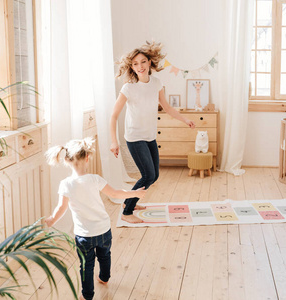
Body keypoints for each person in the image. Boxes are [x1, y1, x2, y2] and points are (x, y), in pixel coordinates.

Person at [44, 138, 146, 300]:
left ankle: (87, 295)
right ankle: (104, 278)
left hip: (84, 235)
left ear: (66, 160)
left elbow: (61, 209)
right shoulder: (95, 179)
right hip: (103, 230)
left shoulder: (66, 184)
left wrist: (51, 220)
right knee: (105, 256)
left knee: (86, 265)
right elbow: (115, 194)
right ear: (87, 158)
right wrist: (135, 193)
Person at [110, 41, 195, 223]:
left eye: (142, 62)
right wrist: (113, 141)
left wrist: (185, 119)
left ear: (149, 62)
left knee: (154, 175)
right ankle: (127, 213)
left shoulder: (157, 83)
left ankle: (128, 202)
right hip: (134, 137)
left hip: (149, 137)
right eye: (135, 64)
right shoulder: (129, 88)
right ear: (131, 68)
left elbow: (167, 108)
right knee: (148, 175)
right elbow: (113, 116)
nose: (139, 66)